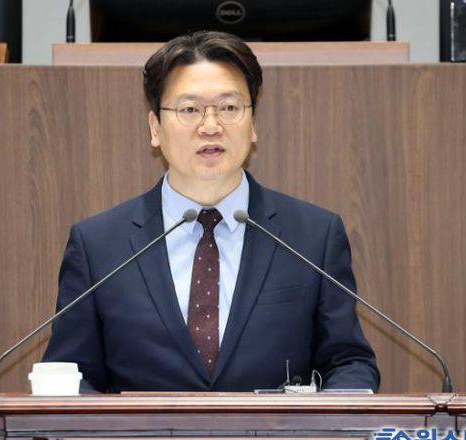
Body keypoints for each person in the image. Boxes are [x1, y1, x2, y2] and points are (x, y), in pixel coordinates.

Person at [43, 31, 380, 393]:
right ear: (155, 127)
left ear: (253, 124)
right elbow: (70, 376)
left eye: (229, 108)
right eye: (189, 110)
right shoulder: (98, 246)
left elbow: (349, 364)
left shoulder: (313, 237)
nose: (210, 126)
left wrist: (324, 422)